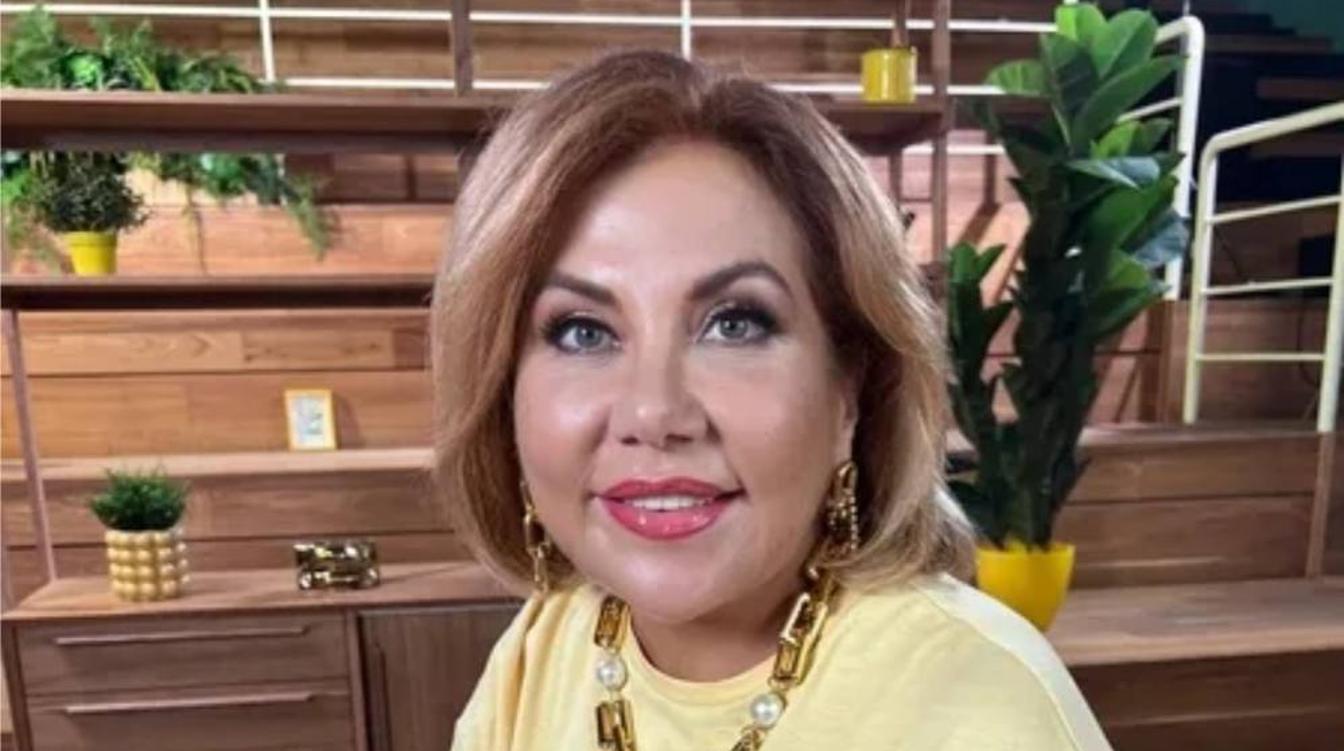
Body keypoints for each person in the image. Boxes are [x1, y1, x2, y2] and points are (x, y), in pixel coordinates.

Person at [431, 49, 1112, 751]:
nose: (654, 413)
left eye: (735, 324)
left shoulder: (983, 710)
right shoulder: (543, 645)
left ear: (849, 389)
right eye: (583, 331)